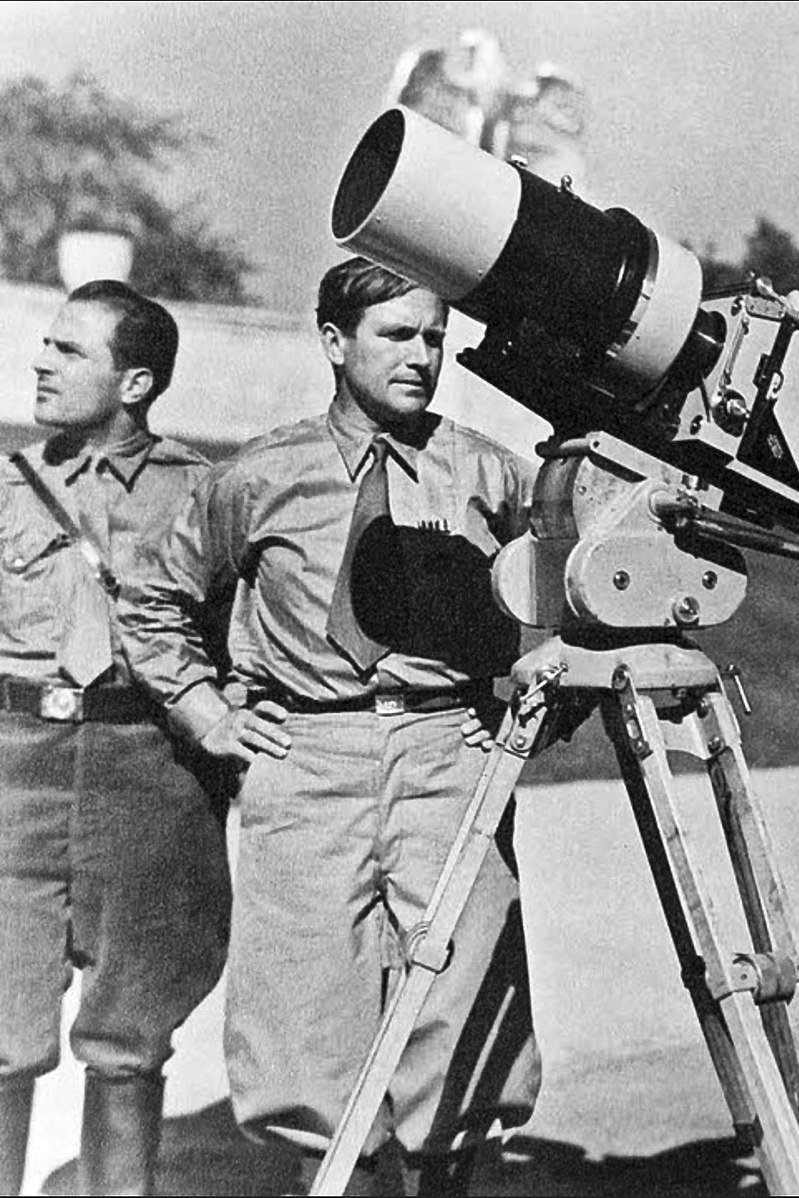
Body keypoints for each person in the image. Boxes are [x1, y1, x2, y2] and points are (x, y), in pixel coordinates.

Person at [119, 256, 540, 1193]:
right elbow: (153, 597)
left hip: (447, 753)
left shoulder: (488, 474)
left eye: (434, 338)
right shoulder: (260, 475)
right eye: (398, 335)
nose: (422, 356)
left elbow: (579, 595)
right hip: (308, 758)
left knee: (462, 1011)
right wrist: (205, 711)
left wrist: (527, 712)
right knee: (305, 1024)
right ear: (333, 342)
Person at [0, 281, 231, 1195]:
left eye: (69, 351)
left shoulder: (204, 495)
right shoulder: (8, 486)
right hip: (14, 769)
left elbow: (242, 641)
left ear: (136, 383)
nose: (41, 363)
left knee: (130, 1036)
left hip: (147, 773)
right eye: (46, 345)